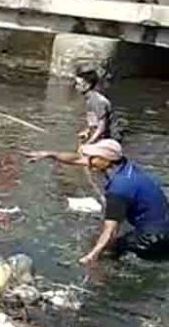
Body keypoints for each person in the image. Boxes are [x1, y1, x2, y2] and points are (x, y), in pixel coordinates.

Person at [25, 140, 169, 263]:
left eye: (92, 157)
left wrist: (93, 255)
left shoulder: (119, 188)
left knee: (108, 251)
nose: (88, 161)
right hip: (163, 227)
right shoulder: (125, 166)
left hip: (153, 238)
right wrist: (50, 154)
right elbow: (76, 159)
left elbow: (110, 230)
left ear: (105, 159)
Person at [74, 66, 121, 144]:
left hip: (110, 140)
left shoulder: (98, 101)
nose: (75, 87)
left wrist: (90, 142)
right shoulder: (89, 99)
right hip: (101, 137)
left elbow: (102, 126)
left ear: (88, 85)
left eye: (78, 84)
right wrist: (87, 131)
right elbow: (94, 122)